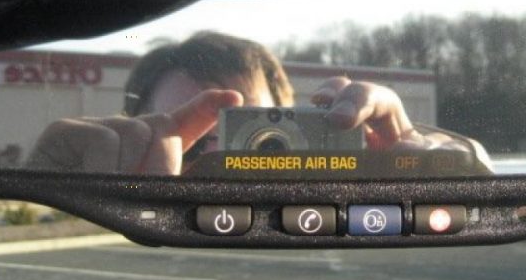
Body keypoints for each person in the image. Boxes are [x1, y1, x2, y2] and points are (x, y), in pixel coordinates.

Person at [27, 31, 493, 175]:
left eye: (262, 137)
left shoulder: (349, 197)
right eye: (186, 143)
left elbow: (483, 197)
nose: (221, 160)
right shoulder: (120, 198)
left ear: (312, 124)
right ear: (134, 136)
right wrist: (56, 188)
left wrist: (413, 155)